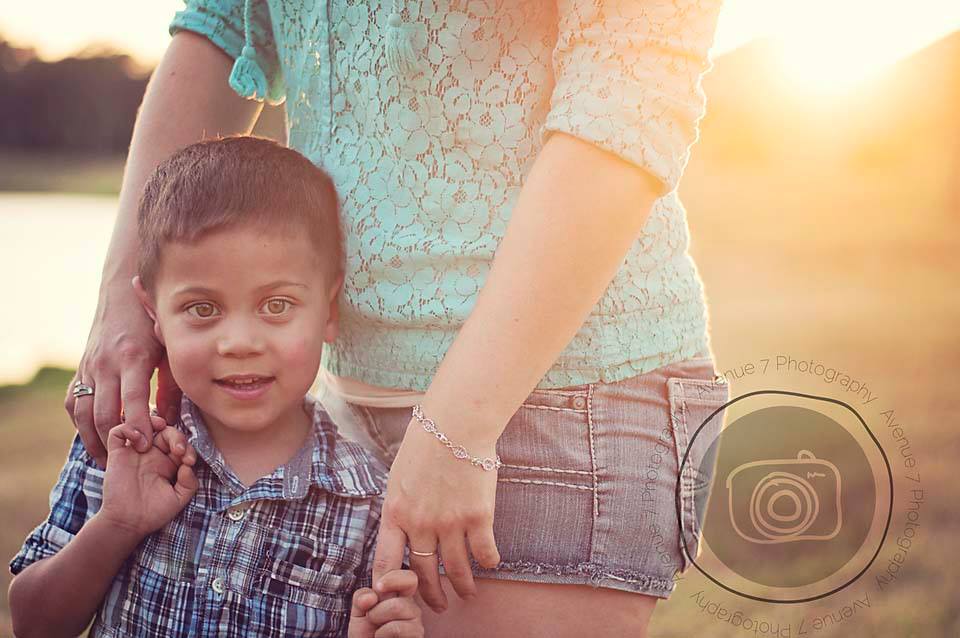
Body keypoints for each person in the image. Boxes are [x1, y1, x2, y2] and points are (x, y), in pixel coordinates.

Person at [65, 1, 730, 635]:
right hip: (346, 398)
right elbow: (217, 26)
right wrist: (122, 303)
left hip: (554, 393)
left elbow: (628, 101)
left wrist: (458, 430)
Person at [10, 137, 423, 638]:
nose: (240, 343)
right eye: (203, 309)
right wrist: (117, 525)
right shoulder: (123, 443)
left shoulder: (368, 500)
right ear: (153, 316)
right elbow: (34, 622)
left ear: (329, 310)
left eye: (276, 305)